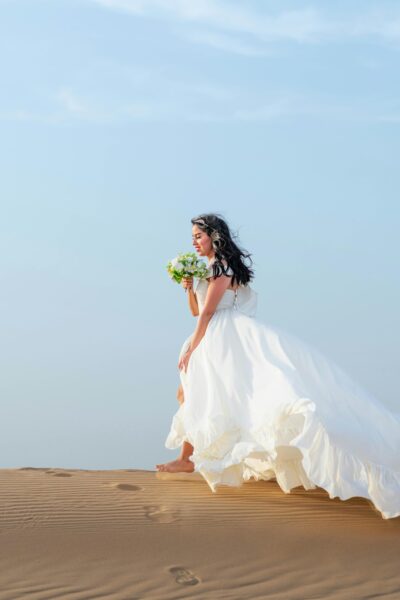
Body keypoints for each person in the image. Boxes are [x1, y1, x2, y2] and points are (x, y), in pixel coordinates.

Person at [156, 213, 400, 519]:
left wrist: (193, 346)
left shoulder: (222, 267)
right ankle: (187, 457)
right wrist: (190, 287)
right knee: (190, 393)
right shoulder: (207, 268)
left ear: (214, 237)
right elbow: (196, 312)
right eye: (192, 236)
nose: (194, 241)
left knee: (210, 394)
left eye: (198, 236)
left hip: (224, 336)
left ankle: (187, 458)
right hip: (210, 334)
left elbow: (207, 315)